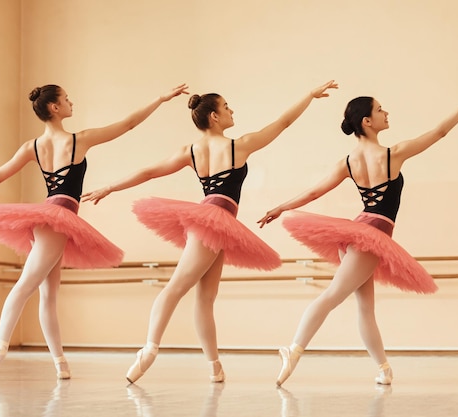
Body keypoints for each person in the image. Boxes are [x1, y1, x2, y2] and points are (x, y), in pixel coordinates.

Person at [81, 80, 339, 383]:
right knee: (176, 286)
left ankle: (214, 366)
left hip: (214, 220)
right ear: (214, 116)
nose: (231, 110)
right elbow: (282, 123)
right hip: (213, 219)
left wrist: (112, 186)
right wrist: (308, 94)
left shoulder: (191, 151)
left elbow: (150, 171)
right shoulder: (238, 145)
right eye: (226, 107)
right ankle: (149, 350)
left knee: (206, 297)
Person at [0, 82, 189, 381]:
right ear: (54, 108)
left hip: (49, 217)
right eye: (66, 99)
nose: (71, 102)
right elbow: (128, 125)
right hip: (58, 218)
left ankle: (60, 363)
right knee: (26, 284)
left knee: (48, 295)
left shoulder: (33, 147)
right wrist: (159, 98)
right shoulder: (79, 140)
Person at [258, 85, 458, 387]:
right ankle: (292, 350)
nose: (386, 113)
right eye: (380, 109)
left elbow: (314, 191)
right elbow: (439, 132)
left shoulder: (348, 162)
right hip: (370, 237)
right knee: (332, 296)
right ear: (367, 122)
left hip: (357, 235)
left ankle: (383, 369)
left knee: (365, 309)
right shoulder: (393, 154)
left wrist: (281, 207)